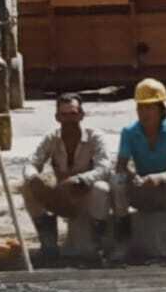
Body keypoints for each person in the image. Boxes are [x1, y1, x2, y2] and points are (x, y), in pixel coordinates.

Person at [20, 93, 117, 264]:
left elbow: (105, 168)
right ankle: (48, 245)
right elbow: (32, 162)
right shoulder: (52, 138)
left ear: (81, 115)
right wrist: (33, 177)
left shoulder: (95, 137)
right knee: (28, 186)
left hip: (86, 197)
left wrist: (79, 179)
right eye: (64, 115)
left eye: (73, 114)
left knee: (101, 189)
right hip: (62, 197)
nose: (69, 120)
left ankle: (97, 244)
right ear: (57, 118)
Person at [114, 77, 166, 262]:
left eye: (150, 107)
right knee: (117, 182)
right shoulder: (129, 132)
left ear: (161, 109)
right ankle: (122, 241)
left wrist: (162, 177)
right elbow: (121, 164)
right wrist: (132, 176)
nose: (145, 113)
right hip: (142, 189)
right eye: (141, 108)